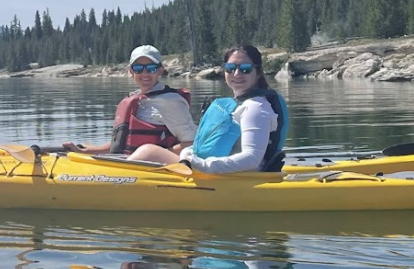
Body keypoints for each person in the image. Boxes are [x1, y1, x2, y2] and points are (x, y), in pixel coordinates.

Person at [127, 44, 287, 174]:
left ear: (258, 72)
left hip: (237, 178)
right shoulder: (241, 104)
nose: (237, 74)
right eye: (230, 68)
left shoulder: (255, 107)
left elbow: (252, 159)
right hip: (222, 171)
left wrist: (201, 165)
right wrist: (189, 154)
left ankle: (114, 184)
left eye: (245, 68)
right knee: (150, 153)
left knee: (148, 153)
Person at [62, 45, 197, 158]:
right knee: (88, 145)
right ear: (131, 72)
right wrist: (87, 152)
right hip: (134, 164)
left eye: (151, 68)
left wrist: (154, 155)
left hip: (158, 168)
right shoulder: (136, 98)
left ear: (160, 70)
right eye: (138, 68)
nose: (144, 73)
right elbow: (123, 143)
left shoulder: (171, 102)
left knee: (147, 151)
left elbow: (192, 143)